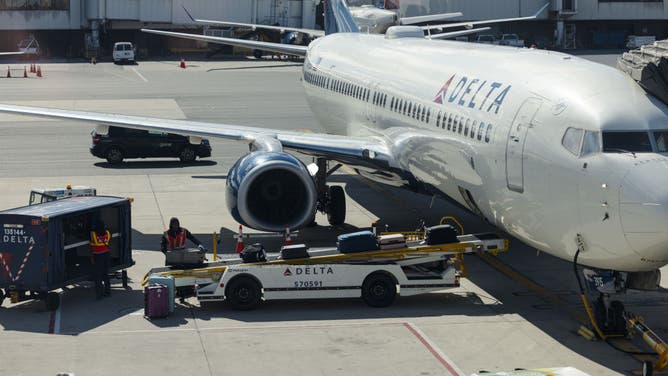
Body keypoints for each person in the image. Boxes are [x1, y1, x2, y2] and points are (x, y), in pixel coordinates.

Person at [90, 220, 111, 299]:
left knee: (98, 275)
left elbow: (92, 245)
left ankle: (99, 294)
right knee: (105, 274)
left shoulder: (93, 234)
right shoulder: (108, 233)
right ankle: (107, 292)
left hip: (98, 256)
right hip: (106, 254)